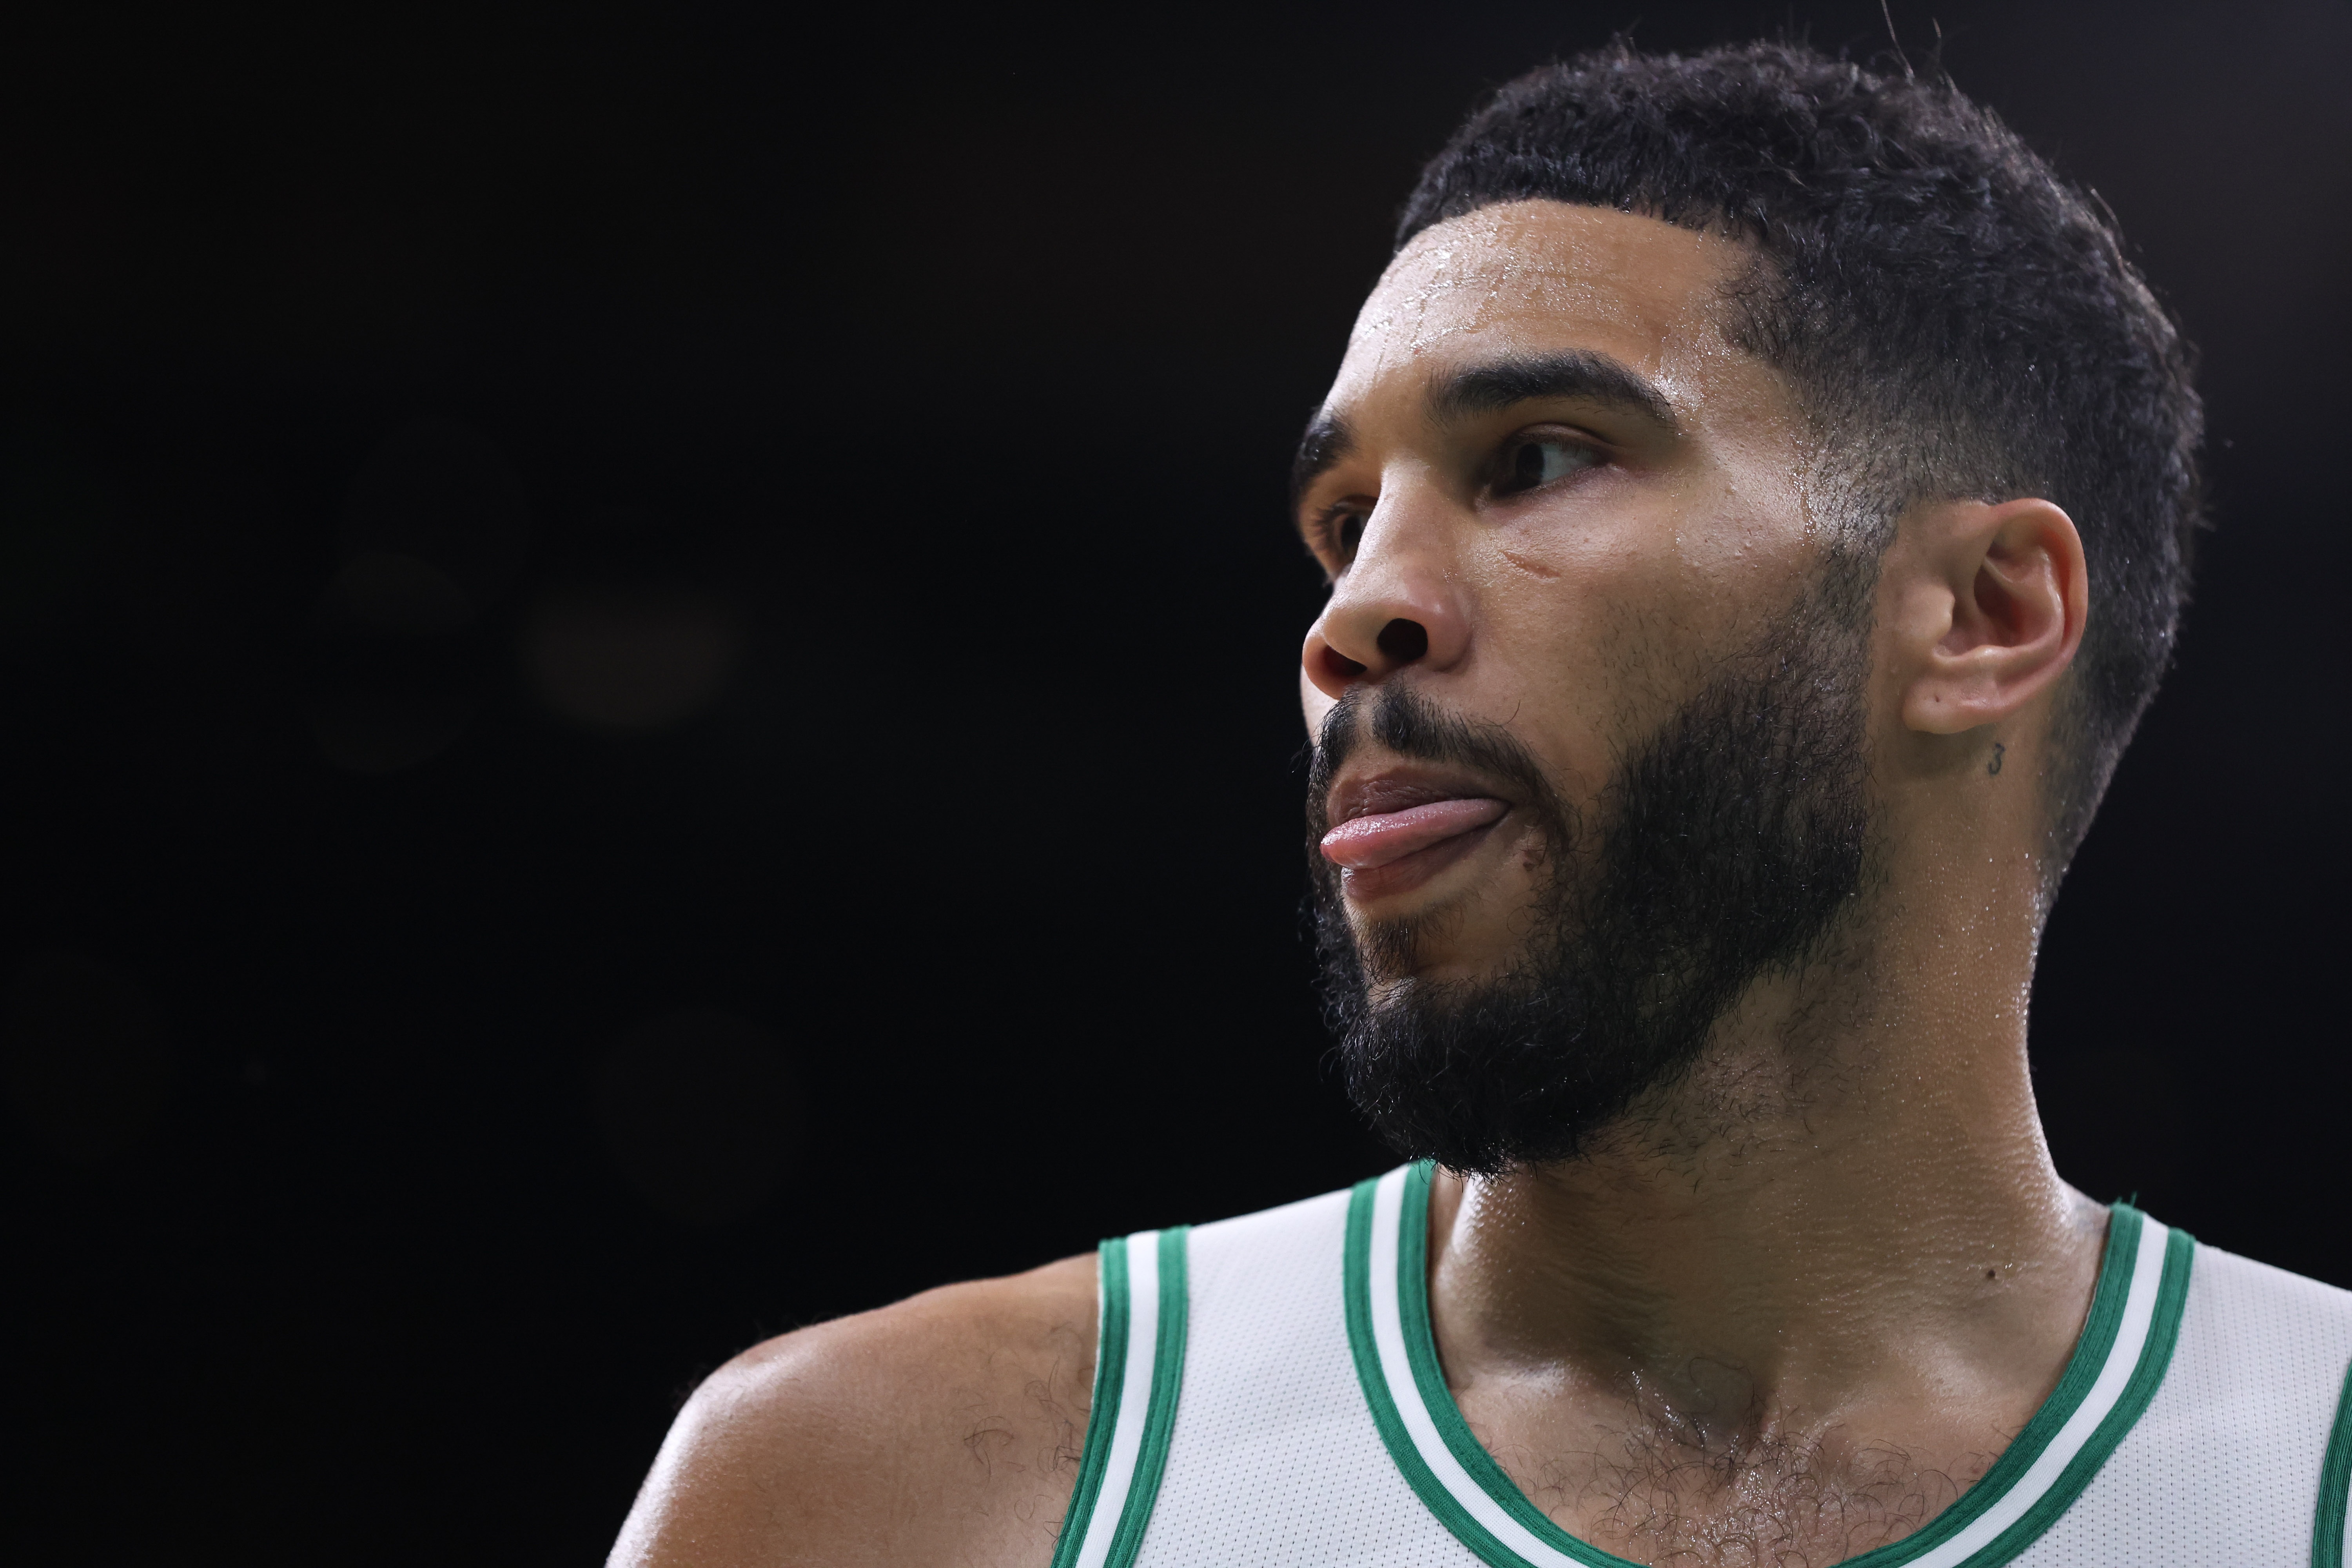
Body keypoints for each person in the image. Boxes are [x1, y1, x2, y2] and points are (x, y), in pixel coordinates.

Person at [609, 40, 2352, 1568]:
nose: (1352, 617)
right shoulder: (895, 1487)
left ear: (1981, 615)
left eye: (1534, 459)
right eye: (1343, 523)